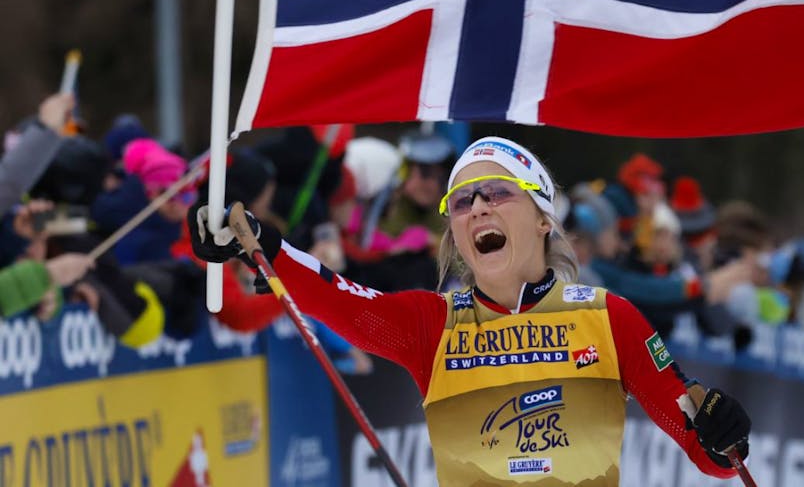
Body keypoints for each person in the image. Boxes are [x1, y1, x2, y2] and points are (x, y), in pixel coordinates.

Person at [188, 136, 751, 486]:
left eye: (498, 193)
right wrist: (258, 245)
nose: (478, 206)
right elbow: (342, 300)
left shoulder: (610, 318)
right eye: (463, 201)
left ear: (541, 219)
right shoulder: (432, 327)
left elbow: (713, 458)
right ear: (456, 235)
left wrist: (725, 432)